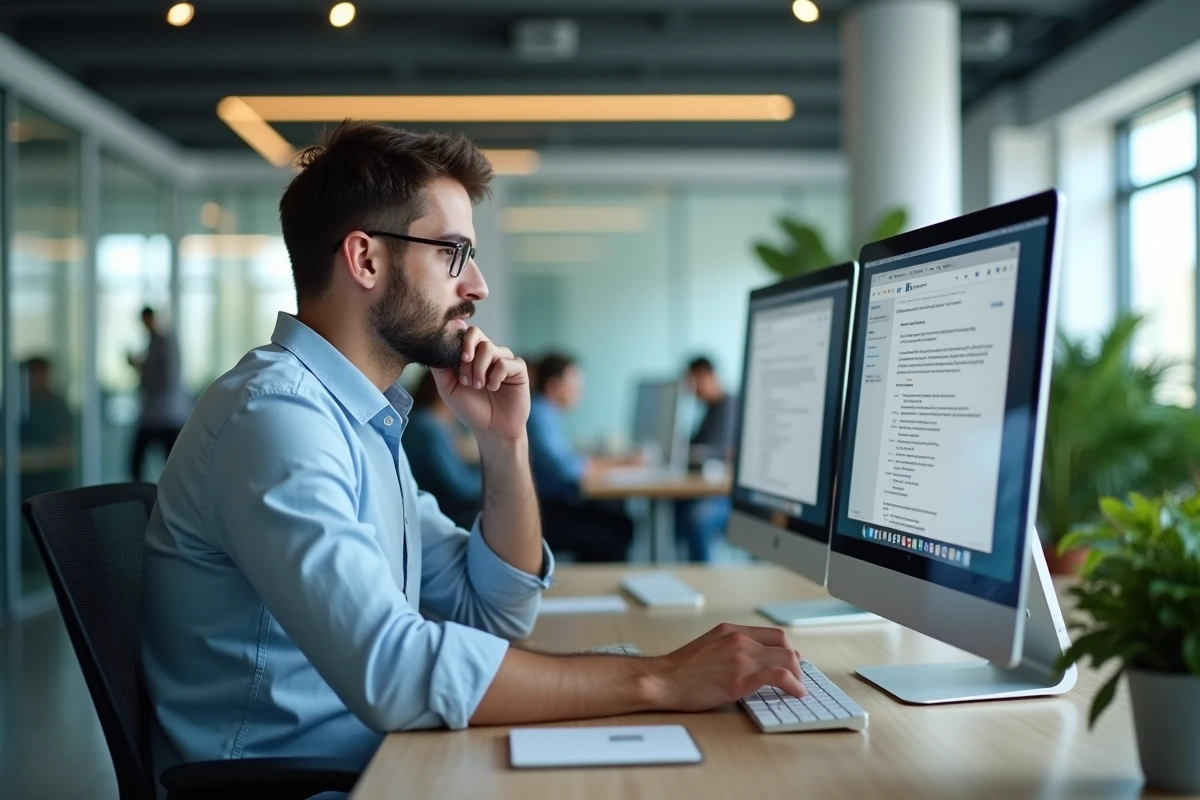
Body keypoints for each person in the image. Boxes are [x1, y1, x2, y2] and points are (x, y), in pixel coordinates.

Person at [140, 121, 807, 784]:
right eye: (453, 253)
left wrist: (503, 440)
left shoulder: (356, 423)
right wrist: (660, 679)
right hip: (304, 784)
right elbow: (394, 674)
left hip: (386, 760)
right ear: (365, 259)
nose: (478, 285)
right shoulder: (277, 419)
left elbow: (493, 613)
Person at [527, 353, 637, 562]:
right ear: (553, 385)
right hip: (545, 512)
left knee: (615, 517)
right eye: (574, 386)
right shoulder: (539, 414)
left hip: (550, 504)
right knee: (620, 529)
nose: (580, 393)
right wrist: (622, 463)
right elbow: (568, 468)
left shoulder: (547, 412)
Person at [403, 369, 483, 529]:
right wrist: (493, 471)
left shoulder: (442, 423)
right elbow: (462, 488)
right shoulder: (429, 430)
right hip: (444, 516)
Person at [677, 356, 738, 562]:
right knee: (677, 506)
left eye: (693, 382)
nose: (691, 390)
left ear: (707, 377)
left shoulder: (729, 405)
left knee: (697, 517)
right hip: (709, 488)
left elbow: (715, 451)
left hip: (728, 496)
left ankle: (700, 573)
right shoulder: (710, 408)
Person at [127, 306, 190, 480]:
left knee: (170, 468)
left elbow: (165, 380)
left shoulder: (165, 342)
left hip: (165, 416)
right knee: (139, 465)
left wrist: (141, 368)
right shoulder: (155, 342)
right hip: (156, 415)